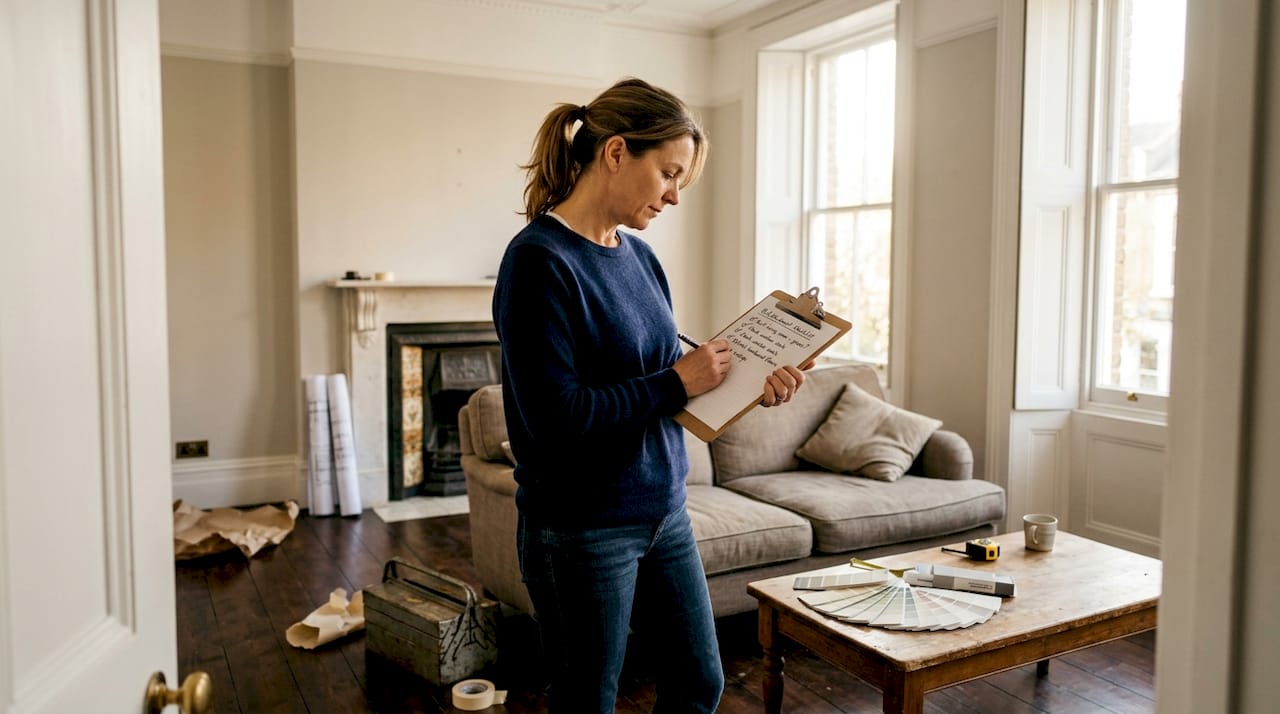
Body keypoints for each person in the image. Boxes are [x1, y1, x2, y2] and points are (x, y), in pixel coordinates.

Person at [492, 77, 810, 713]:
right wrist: (676, 382)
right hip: (581, 527)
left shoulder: (639, 256)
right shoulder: (537, 262)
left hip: (664, 509)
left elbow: (671, 364)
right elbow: (558, 417)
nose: (673, 196)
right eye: (668, 173)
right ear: (615, 153)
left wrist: (753, 378)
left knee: (699, 684)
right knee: (587, 701)